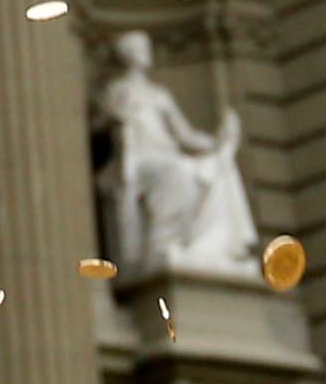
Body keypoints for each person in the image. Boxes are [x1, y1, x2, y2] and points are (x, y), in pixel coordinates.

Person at [98, 30, 257, 276]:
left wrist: (217, 142)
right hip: (140, 159)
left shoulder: (159, 95)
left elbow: (185, 135)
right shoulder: (117, 90)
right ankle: (161, 241)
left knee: (214, 169)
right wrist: (117, 116)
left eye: (146, 48)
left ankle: (206, 246)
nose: (146, 53)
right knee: (178, 170)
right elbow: (99, 123)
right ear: (127, 55)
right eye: (140, 48)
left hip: (165, 156)